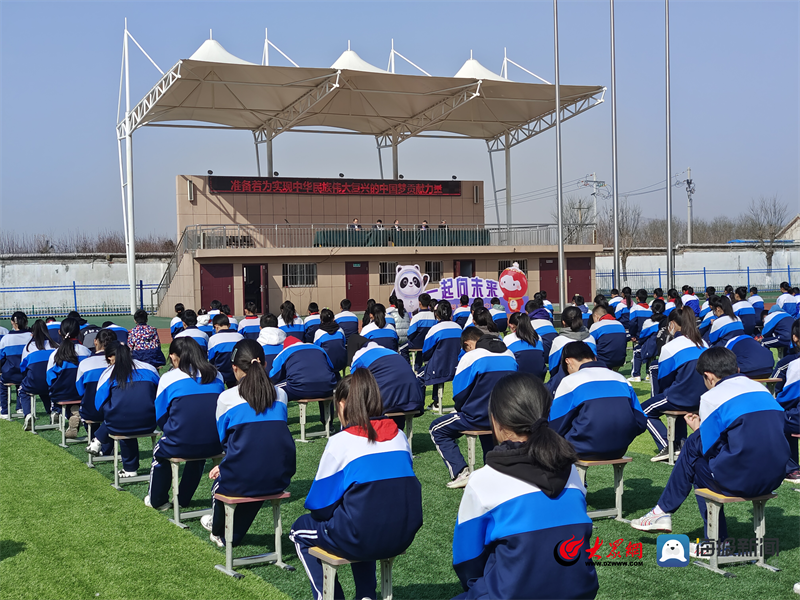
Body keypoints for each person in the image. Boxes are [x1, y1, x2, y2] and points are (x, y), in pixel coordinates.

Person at [452, 372, 598, 600]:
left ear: (495, 420)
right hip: (581, 591)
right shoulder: (571, 472)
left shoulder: (484, 479)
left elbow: (467, 562)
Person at [631, 347, 794, 542]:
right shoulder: (762, 390)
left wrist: (698, 431)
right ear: (738, 370)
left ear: (708, 376)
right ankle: (662, 511)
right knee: (696, 445)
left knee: (695, 453)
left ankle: (711, 538)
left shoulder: (712, 397)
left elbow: (707, 448)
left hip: (742, 481)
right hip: (774, 477)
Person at [291, 371, 422, 600]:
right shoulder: (400, 437)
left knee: (299, 531)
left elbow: (319, 507)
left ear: (342, 404)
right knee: (364, 515)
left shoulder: (341, 441)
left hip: (361, 535)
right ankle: (366, 594)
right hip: (403, 534)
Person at [201, 340, 296, 547]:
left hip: (243, 477)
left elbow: (225, 440)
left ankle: (219, 530)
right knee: (253, 473)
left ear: (234, 368)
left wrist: (226, 464)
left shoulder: (227, 398)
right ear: (264, 364)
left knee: (222, 483)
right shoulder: (281, 395)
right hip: (278, 476)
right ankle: (229, 534)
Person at [430, 327, 517, 489]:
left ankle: (461, 472)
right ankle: (492, 469)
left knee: (436, 429)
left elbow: (459, 393)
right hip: (505, 417)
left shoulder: (471, 356)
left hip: (476, 417)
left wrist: (462, 409)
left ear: (468, 344)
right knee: (489, 431)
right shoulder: (509, 354)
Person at [145, 337, 225, 511]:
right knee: (198, 457)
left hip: (180, 440)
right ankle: (183, 498)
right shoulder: (216, 374)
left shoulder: (169, 378)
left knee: (159, 454)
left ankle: (157, 500)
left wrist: (172, 430)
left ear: (174, 357)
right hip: (214, 442)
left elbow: (160, 415)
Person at [551, 342, 647, 458]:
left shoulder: (571, 380)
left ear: (568, 362)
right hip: (620, 448)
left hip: (582, 448)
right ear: (594, 358)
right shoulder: (621, 379)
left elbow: (555, 425)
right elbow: (641, 421)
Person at [641, 308, 707, 462]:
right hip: (704, 397)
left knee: (643, 410)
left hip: (681, 396)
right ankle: (681, 443)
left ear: (671, 324)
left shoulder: (670, 347)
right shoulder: (703, 342)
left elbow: (664, 381)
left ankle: (669, 447)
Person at [91, 341, 160, 477]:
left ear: (110, 357)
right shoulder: (150, 368)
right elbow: (160, 394)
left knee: (120, 416)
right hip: (149, 422)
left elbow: (98, 403)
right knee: (124, 414)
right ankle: (128, 467)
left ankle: (129, 467)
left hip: (119, 424)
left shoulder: (108, 372)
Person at [351, 341, 425, 426]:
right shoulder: (393, 353)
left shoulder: (359, 355)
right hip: (415, 398)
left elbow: (355, 380)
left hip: (388, 400)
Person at [269, 337, 338, 426]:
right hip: (327, 386)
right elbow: (331, 367)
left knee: (272, 389)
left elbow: (273, 377)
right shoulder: (318, 348)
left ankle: (276, 422)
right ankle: (329, 424)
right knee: (323, 382)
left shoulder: (285, 351)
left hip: (298, 387)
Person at [47, 318, 92, 437]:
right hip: (82, 393)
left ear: (59, 333)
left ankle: (71, 414)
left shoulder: (55, 353)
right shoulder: (86, 351)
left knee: (60, 394)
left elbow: (49, 378)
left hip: (62, 393)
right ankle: (77, 415)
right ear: (78, 333)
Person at [708, 296, 774, 378]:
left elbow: (712, 339)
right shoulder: (737, 318)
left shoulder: (718, 322)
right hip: (769, 367)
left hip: (749, 370)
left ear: (718, 309)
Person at [77, 329, 118, 456]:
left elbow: (80, 390)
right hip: (115, 411)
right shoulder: (122, 365)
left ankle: (97, 441)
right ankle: (107, 446)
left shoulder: (85, 363)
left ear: (95, 342)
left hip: (91, 411)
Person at [421, 301, 462, 410]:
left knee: (418, 377)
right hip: (457, 367)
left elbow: (426, 352)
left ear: (436, 314)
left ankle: (421, 406)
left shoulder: (435, 329)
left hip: (438, 368)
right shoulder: (459, 328)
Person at [546, 306, 597, 394]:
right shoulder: (590, 338)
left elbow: (553, 368)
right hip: (590, 380)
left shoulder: (559, 341)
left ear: (563, 322)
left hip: (566, 383)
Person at [18, 320, 56, 430]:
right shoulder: (54, 345)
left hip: (34, 382)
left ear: (32, 332)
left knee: (22, 390)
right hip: (51, 383)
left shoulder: (28, 347)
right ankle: (53, 412)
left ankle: (28, 414)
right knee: (47, 389)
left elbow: (23, 369)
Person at [0, 311, 32, 417]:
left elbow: (1, 358)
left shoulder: (6, 339)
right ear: (26, 321)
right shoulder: (30, 337)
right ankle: (21, 407)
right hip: (26, 374)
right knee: (21, 380)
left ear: (12, 322)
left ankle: (4, 410)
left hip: (10, 373)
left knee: (2, 382)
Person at [504, 312, 546, 380]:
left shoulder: (508, 339)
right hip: (539, 377)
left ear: (511, 326)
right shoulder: (538, 338)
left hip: (518, 379)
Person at [207, 314, 244, 388]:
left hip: (220, 374)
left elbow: (211, 360)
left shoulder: (213, 339)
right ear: (229, 325)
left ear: (216, 326)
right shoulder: (240, 337)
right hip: (237, 372)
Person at [589, 304, 626, 370]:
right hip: (620, 360)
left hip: (603, 360)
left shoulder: (596, 326)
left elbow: (589, 343)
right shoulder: (620, 324)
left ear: (596, 316)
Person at [628, 289, 654, 383]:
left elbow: (632, 323)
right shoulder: (650, 309)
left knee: (636, 352)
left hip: (639, 335)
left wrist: (633, 335)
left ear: (637, 298)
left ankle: (636, 374)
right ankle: (648, 374)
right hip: (650, 336)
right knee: (650, 354)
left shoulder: (634, 309)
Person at [407, 293, 436, 373]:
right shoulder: (434, 316)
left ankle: (410, 368)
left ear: (419, 302)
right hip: (430, 344)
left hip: (417, 344)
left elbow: (410, 334)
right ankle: (419, 367)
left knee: (403, 348)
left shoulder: (416, 317)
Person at [313, 309, 347, 373]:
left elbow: (316, 349)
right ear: (333, 319)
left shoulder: (319, 332)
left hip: (327, 364)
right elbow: (343, 343)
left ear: (321, 320)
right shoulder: (340, 330)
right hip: (342, 362)